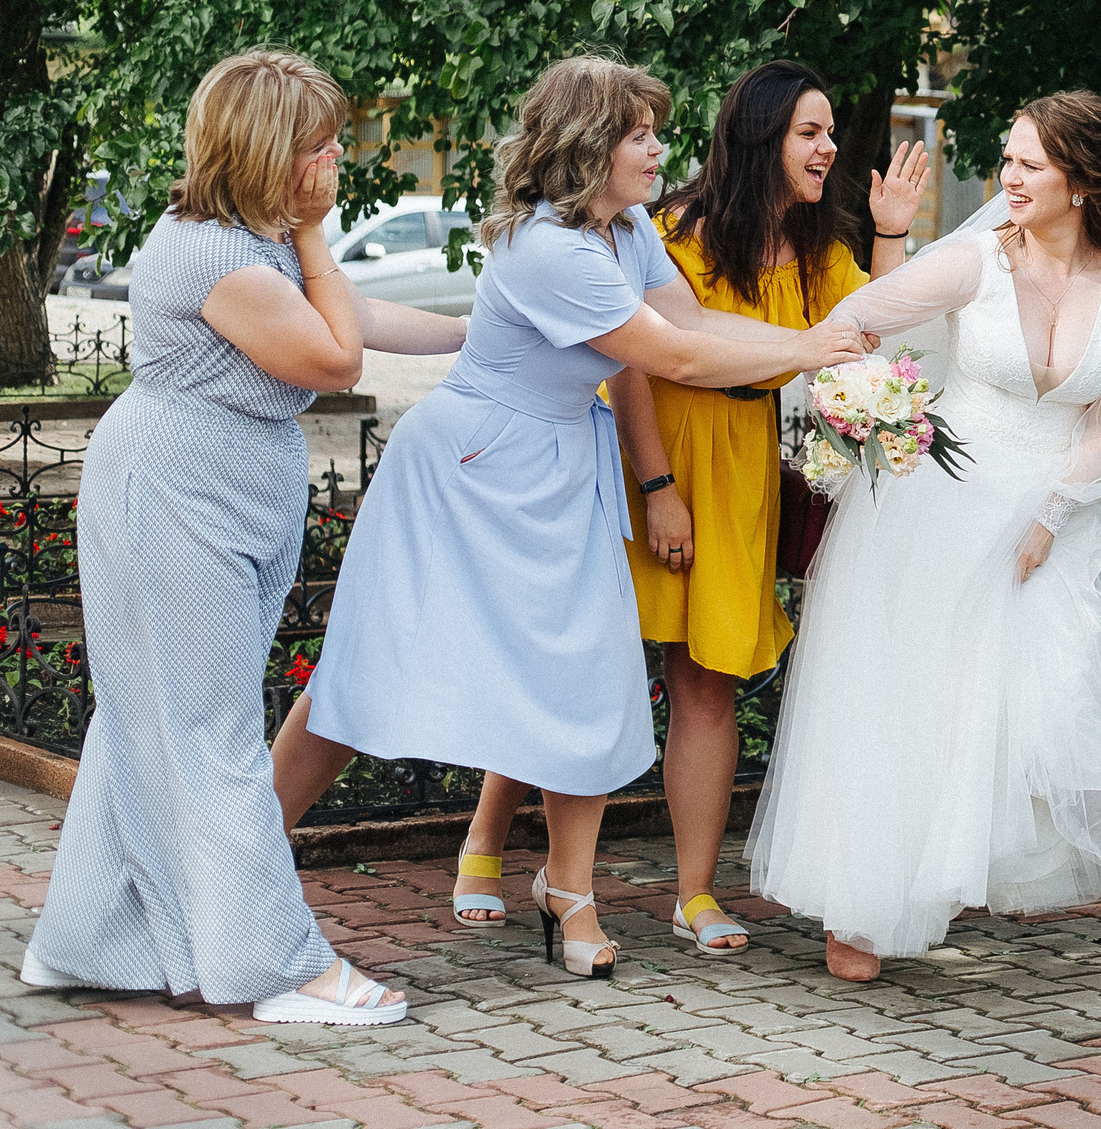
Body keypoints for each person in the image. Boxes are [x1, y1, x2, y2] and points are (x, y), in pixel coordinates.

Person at [271, 56, 869, 983]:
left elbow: (694, 321)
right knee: (365, 672)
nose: (660, 151)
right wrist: (807, 346)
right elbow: (671, 355)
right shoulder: (550, 248)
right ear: (590, 146)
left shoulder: (624, 230)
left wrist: (812, 343)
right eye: (640, 135)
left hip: (558, 466)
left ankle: (570, 890)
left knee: (584, 674)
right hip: (468, 470)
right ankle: (251, 845)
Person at [23, 50, 466, 1025]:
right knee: (210, 731)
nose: (339, 157)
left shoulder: (248, 241)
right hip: (177, 491)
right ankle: (274, 966)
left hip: (214, 487)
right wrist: (313, 234)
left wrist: (481, 335)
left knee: (147, 716)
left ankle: (86, 937)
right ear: (267, 150)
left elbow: (356, 314)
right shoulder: (211, 253)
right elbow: (335, 353)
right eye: (322, 144)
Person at [747, 89, 1101, 982]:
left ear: (1083, 181)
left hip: (1058, 515)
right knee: (917, 702)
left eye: (1030, 163)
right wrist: (868, 406)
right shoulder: (975, 262)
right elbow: (854, 323)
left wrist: (1051, 515)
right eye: (1008, 158)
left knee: (1073, 701)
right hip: (938, 511)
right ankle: (865, 907)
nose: (1010, 177)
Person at [593, 60, 929, 957]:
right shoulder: (672, 233)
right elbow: (631, 366)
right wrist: (658, 489)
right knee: (581, 658)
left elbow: (868, 331)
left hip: (740, 461)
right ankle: (483, 843)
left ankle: (694, 893)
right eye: (809, 133)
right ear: (760, 137)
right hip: (653, 452)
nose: (829, 148)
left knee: (708, 678)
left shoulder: (816, 249)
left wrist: (891, 231)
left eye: (830, 133)